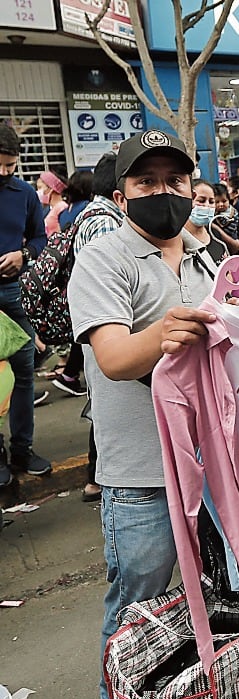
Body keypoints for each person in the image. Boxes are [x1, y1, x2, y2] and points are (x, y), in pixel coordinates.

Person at [67, 129, 217, 699]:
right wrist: (169, 332)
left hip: (209, 466)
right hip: (141, 474)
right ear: (123, 193)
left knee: (204, 596)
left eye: (174, 181)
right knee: (139, 610)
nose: (164, 192)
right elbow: (113, 358)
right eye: (146, 181)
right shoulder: (102, 259)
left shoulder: (209, 257)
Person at [52, 152, 124, 502]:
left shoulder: (91, 215)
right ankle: (99, 480)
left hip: (94, 323)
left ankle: (97, 479)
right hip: (105, 325)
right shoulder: (105, 223)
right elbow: (110, 284)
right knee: (109, 401)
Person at [0, 125, 51, 487]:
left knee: (23, 375)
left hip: (13, 295)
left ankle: (22, 449)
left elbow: (40, 237)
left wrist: (24, 254)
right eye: (0, 165)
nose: (4, 173)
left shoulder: (24, 193)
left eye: (11, 166)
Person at [184, 179, 229, 263]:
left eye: (211, 202)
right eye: (201, 201)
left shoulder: (215, 234)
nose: (207, 205)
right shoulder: (179, 240)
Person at [209, 182, 239, 255]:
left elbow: (224, 224)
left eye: (224, 201)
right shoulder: (213, 212)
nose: (221, 205)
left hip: (231, 235)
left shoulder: (230, 212)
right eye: (217, 202)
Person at [37, 169, 68, 237]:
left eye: (40, 188)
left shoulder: (62, 208)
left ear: (51, 188)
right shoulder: (48, 209)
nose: (38, 192)